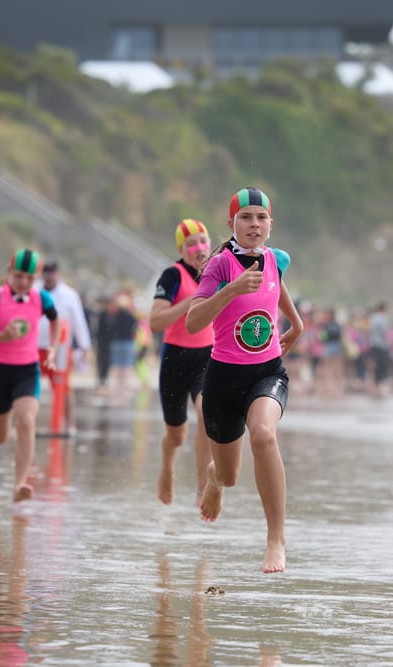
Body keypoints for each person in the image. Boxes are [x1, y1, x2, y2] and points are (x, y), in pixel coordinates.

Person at [185, 187, 303, 573]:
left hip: (267, 372)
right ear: (232, 222)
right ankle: (215, 480)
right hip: (222, 380)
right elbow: (194, 321)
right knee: (231, 476)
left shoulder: (275, 258)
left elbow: (276, 284)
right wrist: (231, 289)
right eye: (246, 217)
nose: (254, 224)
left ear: (271, 223)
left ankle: (276, 539)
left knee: (264, 435)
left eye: (261, 217)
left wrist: (296, 323)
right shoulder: (219, 265)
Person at [0, 249, 59, 502]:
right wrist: (2, 336)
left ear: (37, 279)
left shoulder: (42, 299)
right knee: (1, 436)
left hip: (27, 370)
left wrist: (52, 348)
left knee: (26, 419)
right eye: (19, 276)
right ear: (9, 273)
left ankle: (20, 483)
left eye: (29, 278)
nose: (23, 282)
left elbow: (55, 320)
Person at [149, 219, 214, 506]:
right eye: (191, 244)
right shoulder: (171, 276)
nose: (199, 248)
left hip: (207, 358)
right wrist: (191, 301)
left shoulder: (218, 272)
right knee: (176, 436)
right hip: (175, 359)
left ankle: (202, 487)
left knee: (206, 413)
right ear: (182, 250)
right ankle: (167, 468)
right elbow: (154, 322)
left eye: (203, 241)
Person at [35, 260, 92, 434]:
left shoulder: (69, 294)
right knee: (27, 384)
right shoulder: (34, 289)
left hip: (59, 348)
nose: (49, 276)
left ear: (58, 274)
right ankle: (26, 424)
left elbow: (78, 321)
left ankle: (69, 424)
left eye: (52, 273)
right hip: (34, 346)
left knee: (63, 387)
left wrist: (84, 346)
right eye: (46, 273)